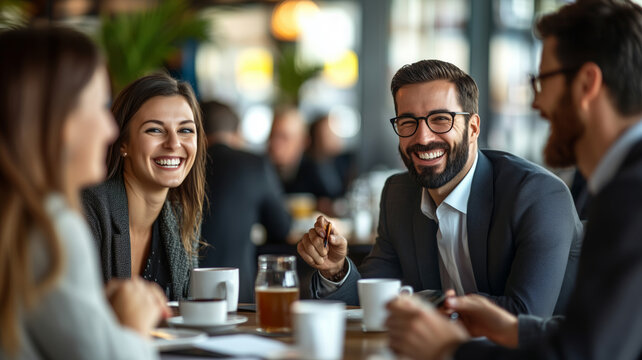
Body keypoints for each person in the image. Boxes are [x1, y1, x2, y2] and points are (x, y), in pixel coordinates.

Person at [386, 1, 642, 359]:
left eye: (542, 80)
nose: (536, 102)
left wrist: (450, 350)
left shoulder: (629, 195)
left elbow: (588, 352)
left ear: (587, 84)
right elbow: (596, 333)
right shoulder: (622, 185)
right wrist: (510, 328)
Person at [297, 59, 583, 316]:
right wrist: (336, 270)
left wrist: (418, 302)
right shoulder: (398, 194)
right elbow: (371, 302)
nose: (423, 137)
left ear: (473, 128)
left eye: (441, 120)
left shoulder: (537, 195)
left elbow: (524, 315)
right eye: (408, 122)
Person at [0, 26, 168, 359]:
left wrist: (93, 312)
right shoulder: (49, 227)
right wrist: (132, 326)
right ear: (58, 120)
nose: (110, 129)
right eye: (100, 106)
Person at [82, 73, 207, 300]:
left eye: (185, 130)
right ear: (122, 143)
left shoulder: (183, 216)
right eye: (155, 130)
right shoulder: (89, 210)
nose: (174, 143)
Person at [199, 100, 292, 302]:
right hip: (238, 294)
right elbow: (282, 227)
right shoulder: (255, 164)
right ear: (237, 133)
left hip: (184, 292)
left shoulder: (183, 165)